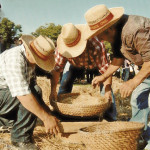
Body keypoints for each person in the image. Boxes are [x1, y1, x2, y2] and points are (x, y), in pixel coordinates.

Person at [84, 4, 150, 149]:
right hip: (147, 70)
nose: (100, 40)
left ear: (109, 29)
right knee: (138, 98)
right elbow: (118, 59)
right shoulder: (116, 36)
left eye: (100, 35)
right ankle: (141, 137)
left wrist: (133, 81)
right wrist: (104, 76)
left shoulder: (135, 30)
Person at [0, 35, 60, 150]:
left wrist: (49, 113)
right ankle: (19, 139)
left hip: (5, 96)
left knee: (36, 90)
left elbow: (34, 90)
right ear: (29, 52)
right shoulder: (14, 58)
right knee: (28, 95)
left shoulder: (29, 61)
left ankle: (5, 121)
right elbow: (23, 94)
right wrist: (45, 118)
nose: (38, 64)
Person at [50, 23, 117, 121]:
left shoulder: (96, 44)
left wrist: (107, 90)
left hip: (94, 65)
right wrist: (52, 90)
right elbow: (56, 70)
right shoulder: (61, 49)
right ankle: (61, 114)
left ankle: (110, 117)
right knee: (65, 83)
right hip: (73, 64)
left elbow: (105, 70)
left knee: (106, 91)